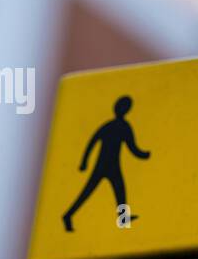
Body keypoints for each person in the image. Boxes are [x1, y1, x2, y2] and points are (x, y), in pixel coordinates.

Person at [62, 95, 151, 231]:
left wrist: (144, 155)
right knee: (88, 192)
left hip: (112, 165)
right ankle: (68, 215)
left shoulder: (120, 126)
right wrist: (84, 161)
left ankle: (122, 218)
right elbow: (93, 142)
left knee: (120, 190)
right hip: (104, 165)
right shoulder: (118, 126)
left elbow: (131, 146)